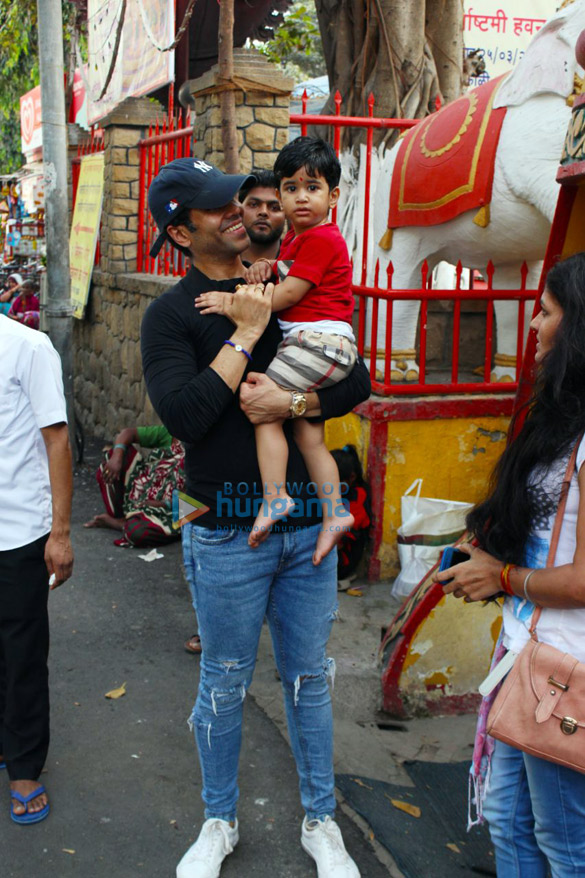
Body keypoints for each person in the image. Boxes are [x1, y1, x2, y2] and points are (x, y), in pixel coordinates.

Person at [141, 157, 370, 878]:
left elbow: (354, 380)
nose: (239, 211)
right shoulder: (171, 315)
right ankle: (219, 819)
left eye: (238, 198)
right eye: (219, 206)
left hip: (305, 530)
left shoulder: (281, 285)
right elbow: (187, 416)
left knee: (309, 680)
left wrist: (293, 402)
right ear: (183, 232)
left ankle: (321, 821)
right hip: (222, 529)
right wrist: (243, 335)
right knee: (223, 680)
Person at [435, 253, 585, 876]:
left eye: (546, 313)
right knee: (506, 817)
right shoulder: (563, 417)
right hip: (529, 653)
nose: (532, 324)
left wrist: (499, 577)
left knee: (564, 845)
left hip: (566, 671)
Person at [196, 138, 357, 564]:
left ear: (333, 196)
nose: (301, 197)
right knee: (309, 436)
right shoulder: (302, 241)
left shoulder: (320, 239)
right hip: (327, 345)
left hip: (316, 344)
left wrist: (232, 301)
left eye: (312, 188)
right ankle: (335, 512)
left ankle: (276, 496)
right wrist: (270, 266)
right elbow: (288, 273)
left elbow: (287, 295)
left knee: (262, 404)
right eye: (291, 188)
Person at [0, 314, 74, 824]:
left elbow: (57, 440)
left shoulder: (28, 346)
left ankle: (24, 766)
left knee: (22, 652)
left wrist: (60, 533)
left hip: (18, 529)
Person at [83, 424, 185, 548]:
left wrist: (164, 504)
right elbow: (127, 433)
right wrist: (117, 457)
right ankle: (125, 516)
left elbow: (199, 499)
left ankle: (121, 524)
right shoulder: (170, 433)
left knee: (138, 532)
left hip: (171, 507)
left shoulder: (204, 449)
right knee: (112, 459)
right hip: (144, 490)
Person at [331, 445, 371, 592]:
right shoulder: (333, 493)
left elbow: (338, 541)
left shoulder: (357, 498)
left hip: (344, 560)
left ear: (351, 478)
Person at [239, 170, 285, 264]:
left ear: (287, 214)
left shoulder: (299, 264)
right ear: (239, 208)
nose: (263, 212)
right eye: (253, 205)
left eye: (274, 208)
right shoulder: (218, 260)